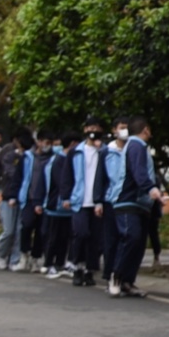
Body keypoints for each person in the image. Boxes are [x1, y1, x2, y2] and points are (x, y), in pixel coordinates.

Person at [101, 115, 157, 297]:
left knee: (138, 243)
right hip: (127, 199)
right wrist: (151, 189)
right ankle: (116, 276)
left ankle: (127, 281)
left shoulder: (139, 147)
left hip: (141, 203)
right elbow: (138, 172)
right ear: (146, 129)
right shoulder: (136, 145)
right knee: (130, 237)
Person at [68, 118, 109, 289]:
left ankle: (89, 270)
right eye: (90, 128)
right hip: (79, 200)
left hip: (98, 201)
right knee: (81, 233)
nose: (93, 131)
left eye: (96, 128)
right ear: (84, 130)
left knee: (95, 238)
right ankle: (77, 266)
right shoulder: (76, 152)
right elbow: (67, 175)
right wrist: (65, 196)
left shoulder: (106, 151)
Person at [37, 128, 77, 277]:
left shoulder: (67, 159)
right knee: (52, 237)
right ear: (72, 144)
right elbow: (61, 183)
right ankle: (48, 264)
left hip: (67, 208)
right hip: (55, 205)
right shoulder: (58, 160)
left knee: (64, 238)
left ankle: (59, 264)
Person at [0, 127, 32, 272]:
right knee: (9, 230)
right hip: (9, 196)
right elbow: (11, 173)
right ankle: (2, 254)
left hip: (24, 197)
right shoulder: (10, 156)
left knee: (19, 230)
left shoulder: (29, 156)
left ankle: (15, 259)